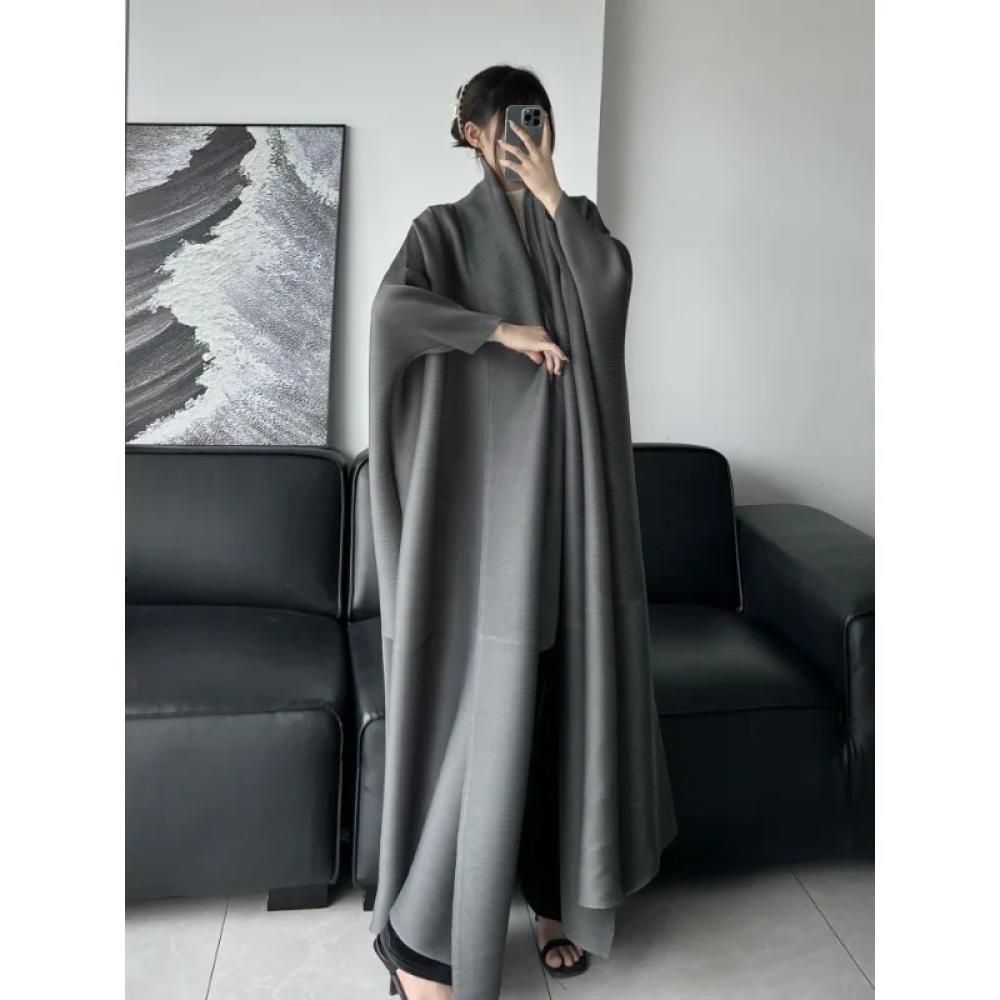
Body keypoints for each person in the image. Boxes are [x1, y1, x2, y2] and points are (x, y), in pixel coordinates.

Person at [368, 65, 678, 1000]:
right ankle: (419, 942)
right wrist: (498, 330)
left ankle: (552, 901)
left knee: (559, 702)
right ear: (470, 132)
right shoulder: (441, 231)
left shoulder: (570, 222)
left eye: (535, 121)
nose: (522, 137)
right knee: (488, 712)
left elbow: (609, 296)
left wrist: (555, 196)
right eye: (507, 123)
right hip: (491, 521)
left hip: (576, 508)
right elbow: (394, 313)